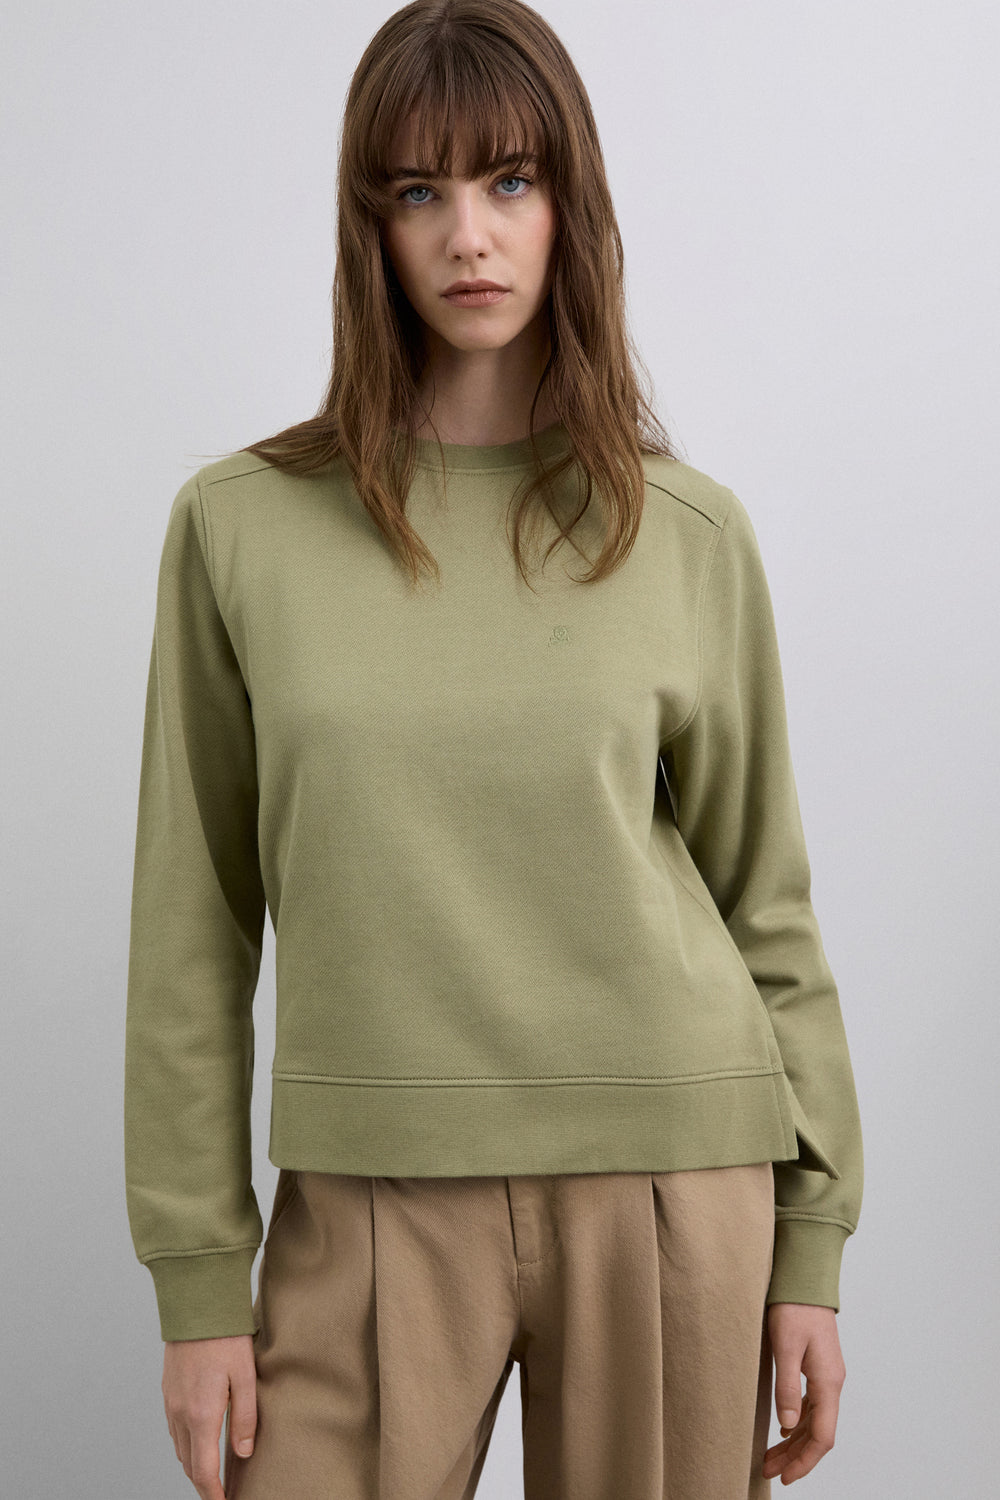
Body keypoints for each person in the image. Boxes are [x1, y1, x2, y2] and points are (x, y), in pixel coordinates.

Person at [123, 2, 864, 1497]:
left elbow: (765, 903)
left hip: (671, 1171)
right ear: (372, 227)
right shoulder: (240, 528)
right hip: (369, 1187)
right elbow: (192, 926)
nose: (470, 235)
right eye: (422, 190)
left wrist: (812, 1245)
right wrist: (198, 1276)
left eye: (511, 181)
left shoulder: (689, 533)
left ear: (569, 205)